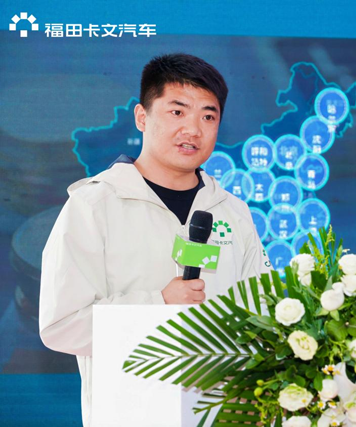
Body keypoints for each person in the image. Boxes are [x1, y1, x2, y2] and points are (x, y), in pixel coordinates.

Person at [39, 53, 271, 426]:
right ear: (142, 117)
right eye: (177, 112)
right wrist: (157, 304)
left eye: (208, 117)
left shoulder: (233, 212)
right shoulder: (95, 204)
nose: (193, 130)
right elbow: (62, 326)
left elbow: (262, 319)